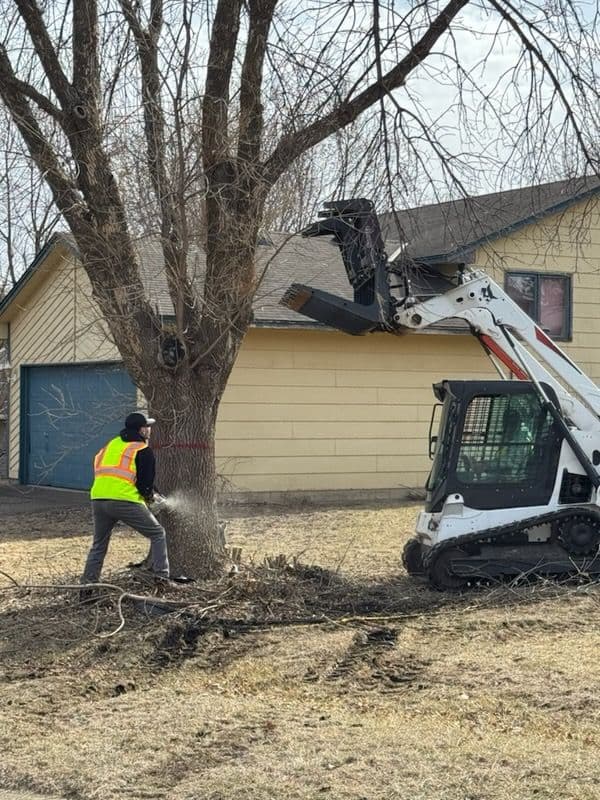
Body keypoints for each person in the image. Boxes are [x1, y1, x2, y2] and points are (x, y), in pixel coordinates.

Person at [80, 411, 172, 597]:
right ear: (141, 430)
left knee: (98, 545)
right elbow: (145, 484)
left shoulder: (111, 444)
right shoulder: (142, 450)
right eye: (147, 427)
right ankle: (162, 579)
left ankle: (86, 590)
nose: (149, 430)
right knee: (157, 533)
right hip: (124, 500)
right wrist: (152, 500)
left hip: (98, 499)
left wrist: (152, 492)